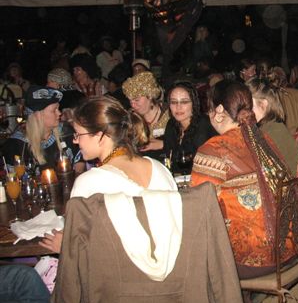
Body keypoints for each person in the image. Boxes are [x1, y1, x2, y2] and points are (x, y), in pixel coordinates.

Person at [39, 96, 177, 254]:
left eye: (78, 134)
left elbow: (84, 247)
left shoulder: (88, 183)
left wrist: (65, 247)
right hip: (168, 262)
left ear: (100, 136)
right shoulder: (160, 169)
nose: (75, 141)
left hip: (119, 268)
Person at [190, 81, 294, 280]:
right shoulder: (263, 138)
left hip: (255, 259)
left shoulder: (211, 151)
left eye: (209, 108)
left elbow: (197, 210)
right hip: (290, 245)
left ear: (219, 111)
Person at [1, 85, 79, 172]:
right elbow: (12, 176)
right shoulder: (16, 145)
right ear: (38, 115)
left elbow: (80, 166)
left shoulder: (67, 133)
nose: (59, 113)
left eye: (58, 109)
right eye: (54, 110)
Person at [247, 78, 298, 173]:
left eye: (249, 106)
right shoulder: (271, 125)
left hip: (287, 180)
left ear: (263, 104)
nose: (245, 111)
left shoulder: (271, 132)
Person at [163, 81, 215, 171]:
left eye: (184, 102)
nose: (178, 107)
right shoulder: (171, 124)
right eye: (174, 102)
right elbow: (168, 159)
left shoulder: (203, 125)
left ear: (194, 103)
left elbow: (203, 167)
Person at [122, 71, 170, 157]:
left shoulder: (170, 114)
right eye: (130, 100)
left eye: (136, 100)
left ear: (150, 96)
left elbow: (185, 143)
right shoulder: (131, 117)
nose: (133, 105)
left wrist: (163, 144)